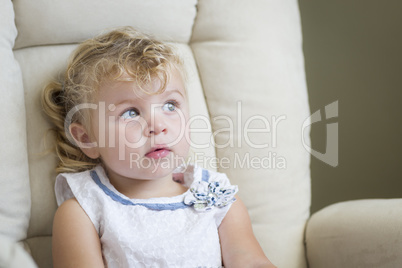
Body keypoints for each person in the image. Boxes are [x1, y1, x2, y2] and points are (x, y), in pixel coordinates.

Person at [42, 27, 276, 268]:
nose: (158, 126)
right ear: (87, 139)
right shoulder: (85, 209)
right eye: (130, 112)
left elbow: (250, 260)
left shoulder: (216, 196)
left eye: (170, 105)